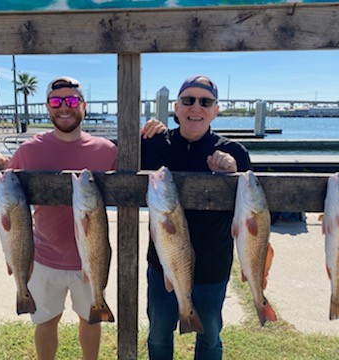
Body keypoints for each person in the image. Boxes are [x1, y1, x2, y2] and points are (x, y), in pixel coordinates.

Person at [0, 76, 164, 360]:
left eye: (72, 100)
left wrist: (153, 134)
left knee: (91, 319)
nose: (64, 107)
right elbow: (8, 182)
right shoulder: (29, 150)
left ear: (84, 106)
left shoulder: (107, 150)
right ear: (47, 107)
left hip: (92, 257)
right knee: (45, 321)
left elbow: (141, 178)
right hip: (42, 256)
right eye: (56, 101)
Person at [141, 74, 253, 360]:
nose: (196, 107)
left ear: (216, 110)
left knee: (211, 336)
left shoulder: (234, 151)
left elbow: (250, 206)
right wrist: (139, 131)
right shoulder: (154, 144)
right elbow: (108, 153)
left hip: (212, 266)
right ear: (176, 108)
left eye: (205, 102)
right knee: (158, 335)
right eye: (188, 100)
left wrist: (233, 173)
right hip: (164, 264)